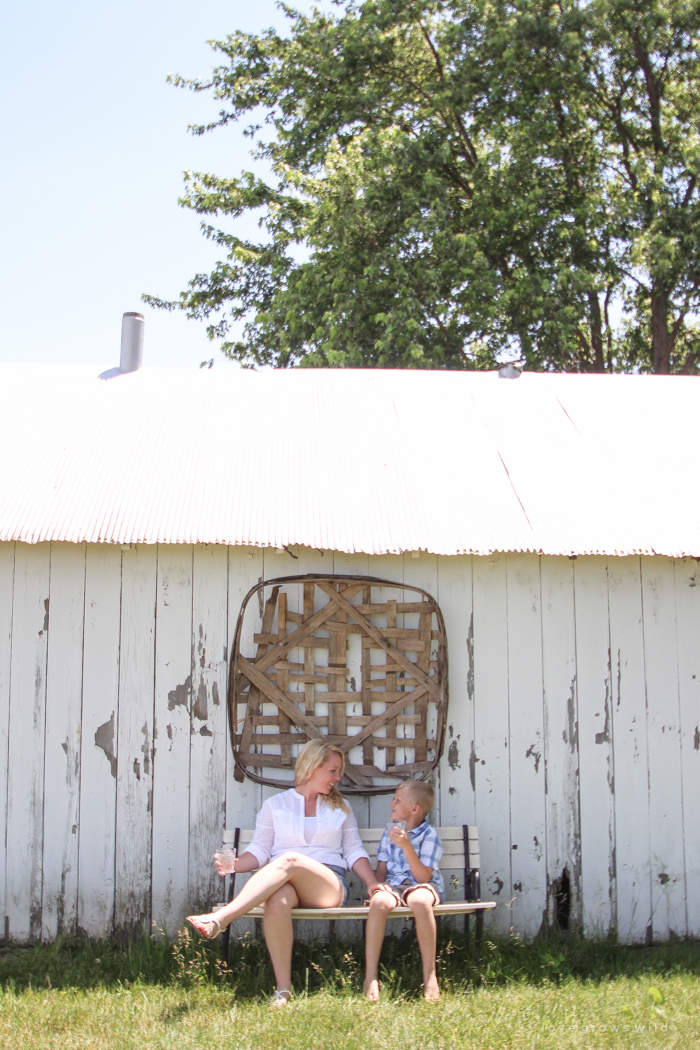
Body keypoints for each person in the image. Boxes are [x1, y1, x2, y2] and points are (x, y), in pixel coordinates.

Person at [185, 739, 379, 1006]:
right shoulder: (275, 805)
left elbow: (354, 851)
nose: (338, 776)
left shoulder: (341, 807)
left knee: (288, 859)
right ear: (312, 768)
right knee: (276, 900)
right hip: (285, 880)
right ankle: (283, 990)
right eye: (333, 770)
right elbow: (260, 851)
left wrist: (371, 882)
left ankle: (221, 918)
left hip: (328, 885)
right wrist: (234, 865)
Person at [364, 780, 444, 1002]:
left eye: (397, 801)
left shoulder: (429, 836)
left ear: (414, 809)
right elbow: (381, 872)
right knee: (380, 902)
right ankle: (370, 976)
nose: (391, 803)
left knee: (419, 900)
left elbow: (423, 877)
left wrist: (407, 846)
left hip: (423, 886)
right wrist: (376, 889)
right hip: (394, 886)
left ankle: (430, 976)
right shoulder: (388, 834)